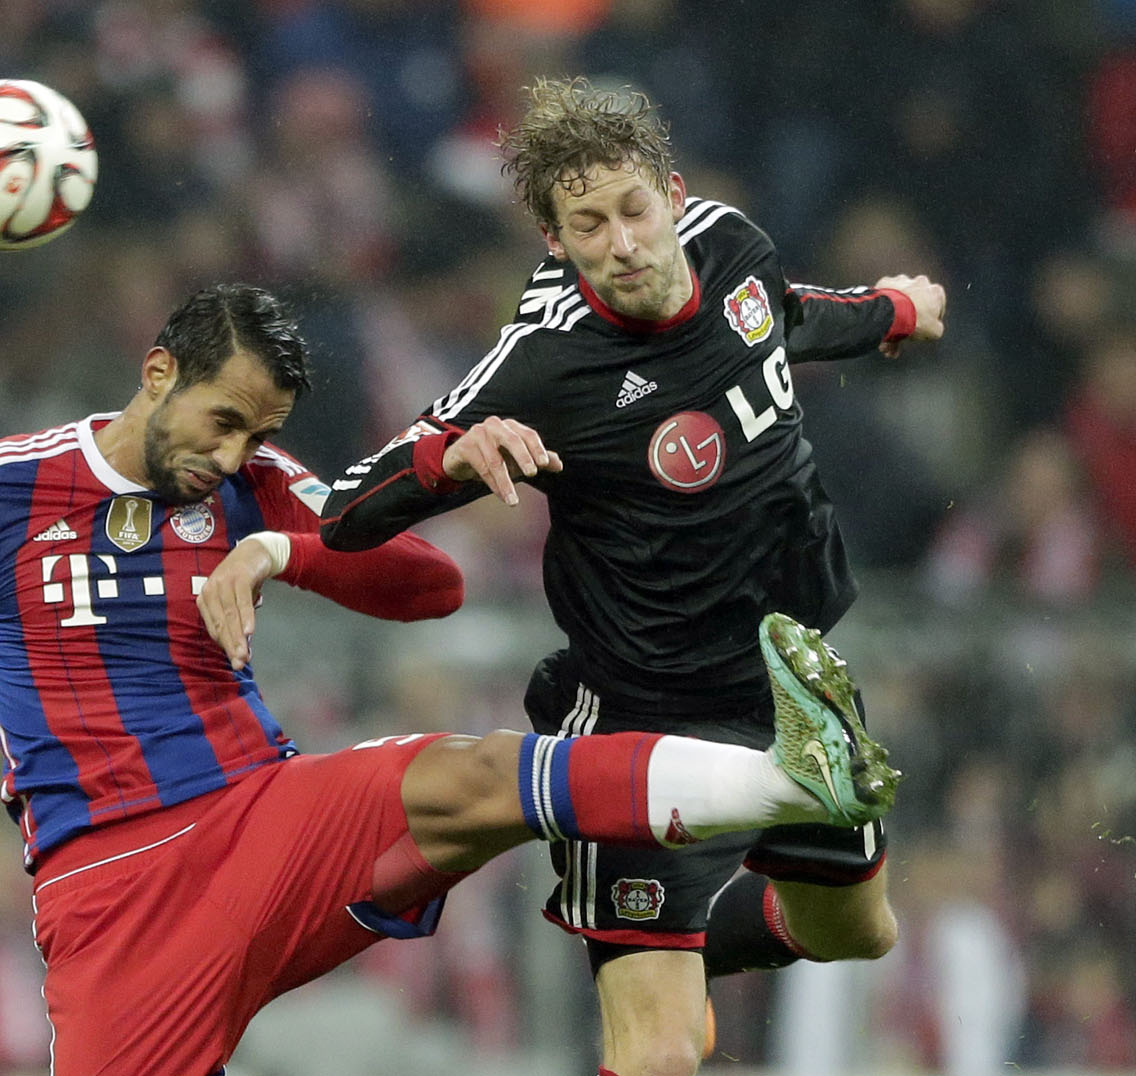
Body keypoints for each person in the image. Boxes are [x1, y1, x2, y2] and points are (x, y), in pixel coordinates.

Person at [0, 282, 896, 1076]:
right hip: (107, 888)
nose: (232, 452)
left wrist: (302, 543)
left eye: (257, 432)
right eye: (221, 422)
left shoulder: (254, 486)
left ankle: (795, 774)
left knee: (479, 774)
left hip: (262, 817)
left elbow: (433, 585)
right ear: (157, 370)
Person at [320, 77, 945, 1075]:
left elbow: (778, 316)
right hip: (636, 722)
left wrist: (887, 312)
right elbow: (344, 510)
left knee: (854, 930)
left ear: (672, 194)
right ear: (553, 239)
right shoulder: (540, 365)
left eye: (632, 209)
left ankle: (682, 949)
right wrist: (451, 456)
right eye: (586, 224)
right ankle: (651, 961)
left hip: (793, 693)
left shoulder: (732, 244)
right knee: (654, 1056)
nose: (620, 242)